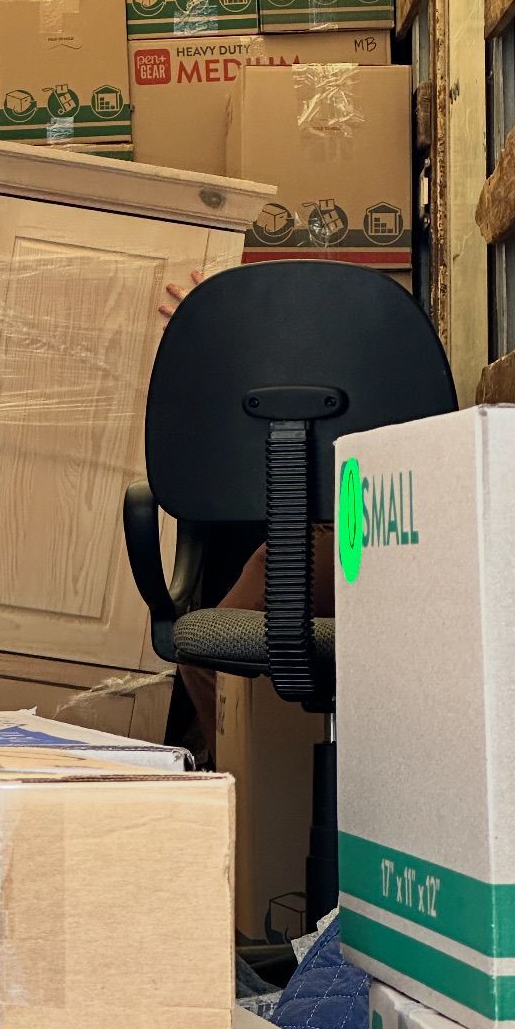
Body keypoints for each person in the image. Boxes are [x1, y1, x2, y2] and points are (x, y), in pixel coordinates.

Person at [159, 269, 335, 763]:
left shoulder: (318, 359)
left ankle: (251, 799)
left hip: (354, 532)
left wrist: (218, 332)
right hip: (386, 518)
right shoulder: (368, 339)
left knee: (206, 649)